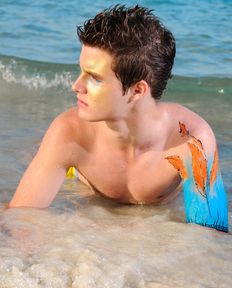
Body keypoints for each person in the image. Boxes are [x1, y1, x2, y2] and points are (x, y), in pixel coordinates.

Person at [9, 5, 228, 232]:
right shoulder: (69, 133)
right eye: (81, 71)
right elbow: (19, 220)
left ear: (137, 90)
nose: (76, 86)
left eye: (94, 78)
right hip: (85, 176)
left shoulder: (191, 141)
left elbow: (209, 234)